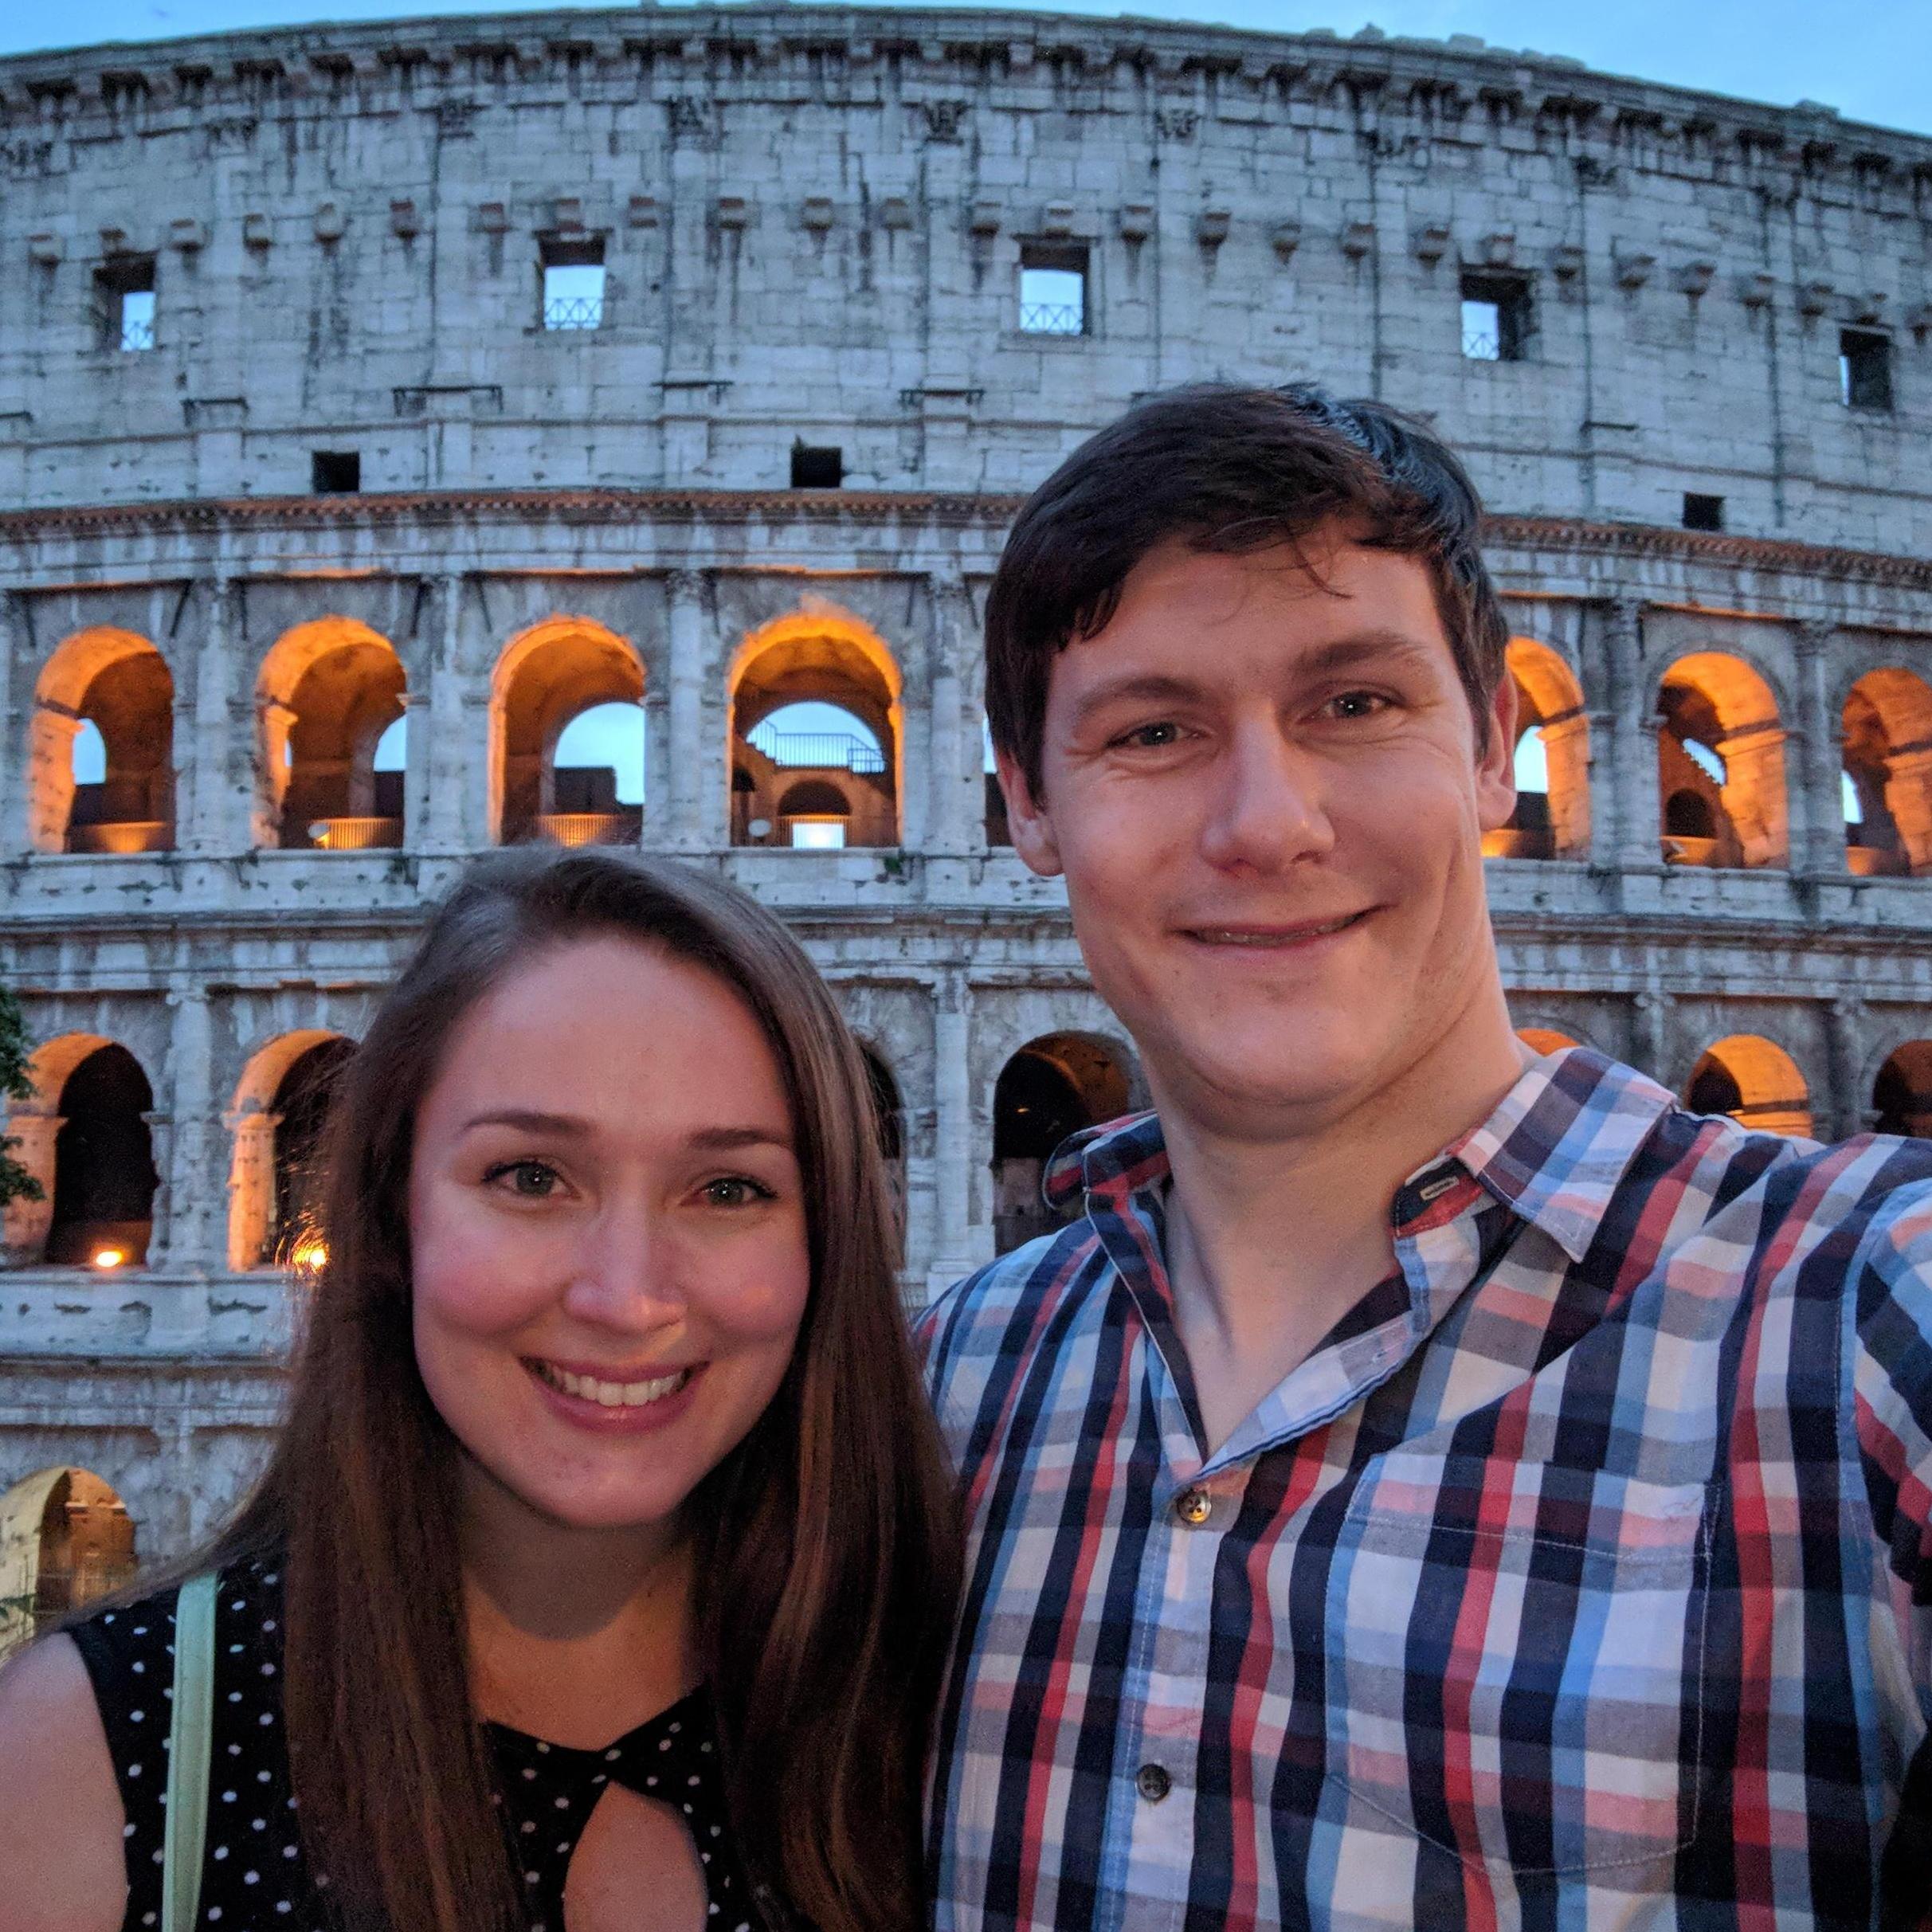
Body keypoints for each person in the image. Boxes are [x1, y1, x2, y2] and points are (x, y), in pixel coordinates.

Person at [920, 382, 1932, 1929]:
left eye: (1353, 703)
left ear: (1495, 749)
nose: (1269, 822)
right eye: (1152, 729)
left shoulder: (1866, 1322)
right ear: (1026, 806)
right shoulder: (945, 1391)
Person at [0, 848, 958, 1932]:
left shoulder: (949, 1713)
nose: (625, 1295)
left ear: (825, 1242)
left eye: (729, 1187)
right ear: (392, 1213)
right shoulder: (76, 1757)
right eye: (530, 1176)